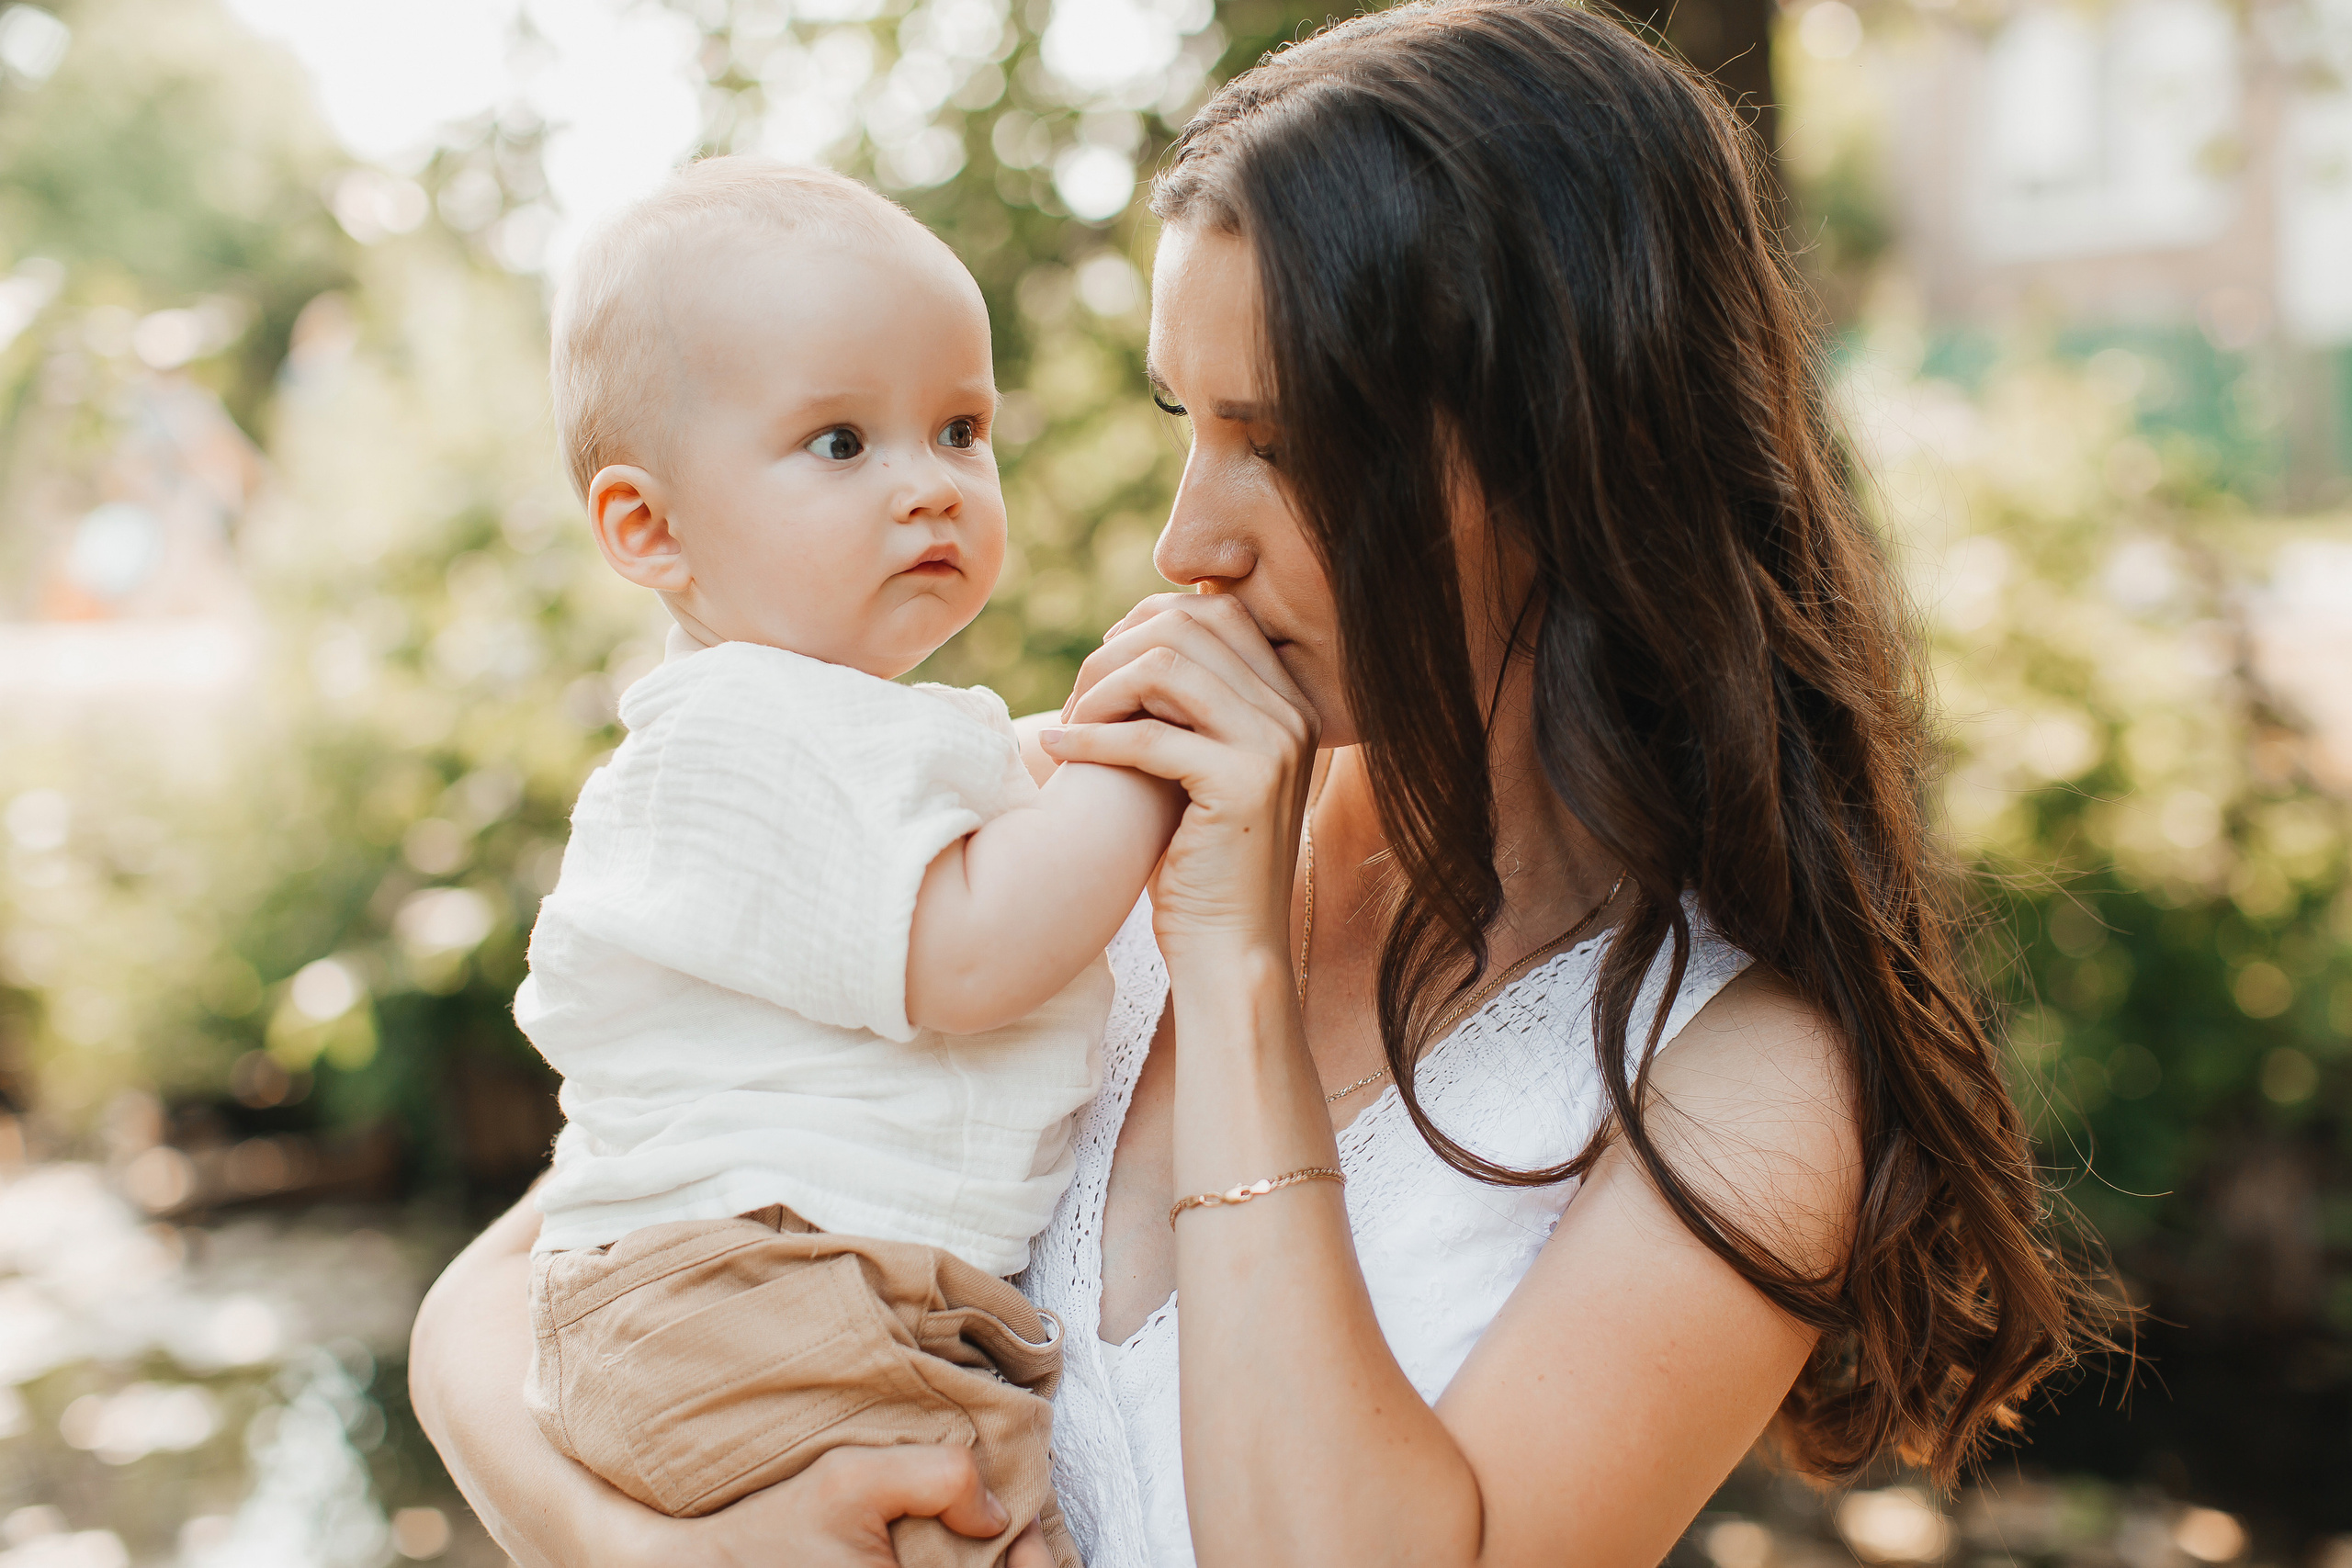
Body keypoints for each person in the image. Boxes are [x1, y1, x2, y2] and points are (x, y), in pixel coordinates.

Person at [412, 5, 2098, 1565]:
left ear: (1565, 459)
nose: (1185, 541)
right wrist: (671, 1556)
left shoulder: (1733, 1085)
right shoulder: (1054, 828)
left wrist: (1229, 976)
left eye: (1282, 446)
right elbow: (502, 1301)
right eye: (1185, 424)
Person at [506, 156, 1182, 1567]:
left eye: (959, 429)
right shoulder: (738, 734)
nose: (928, 488)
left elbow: (985, 801)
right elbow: (973, 955)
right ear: (649, 528)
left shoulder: (834, 724)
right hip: (754, 1296)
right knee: (971, 1521)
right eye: (840, 444)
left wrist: (1074, 757)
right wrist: (1151, 758)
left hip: (773, 1294)